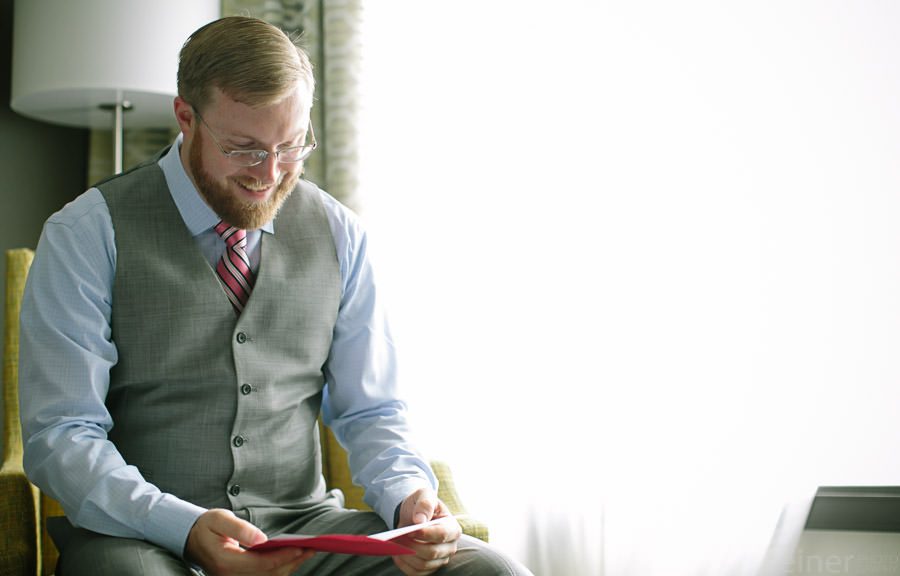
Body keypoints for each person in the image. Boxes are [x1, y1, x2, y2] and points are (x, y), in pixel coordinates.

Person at [19, 16, 532, 576]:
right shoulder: (87, 232)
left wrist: (408, 496)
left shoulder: (340, 233)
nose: (269, 174)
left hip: (305, 530)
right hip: (146, 539)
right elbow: (62, 435)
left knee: (489, 571)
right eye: (243, 148)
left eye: (291, 146)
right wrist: (183, 527)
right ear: (186, 117)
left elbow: (373, 409)